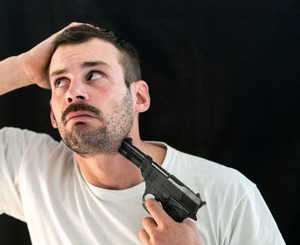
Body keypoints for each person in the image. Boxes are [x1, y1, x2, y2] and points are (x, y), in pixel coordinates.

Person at [0, 23, 285, 245]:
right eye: (61, 82)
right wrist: (21, 68)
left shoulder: (230, 194)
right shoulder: (28, 167)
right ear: (53, 114)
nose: (74, 92)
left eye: (94, 74)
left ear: (139, 97)